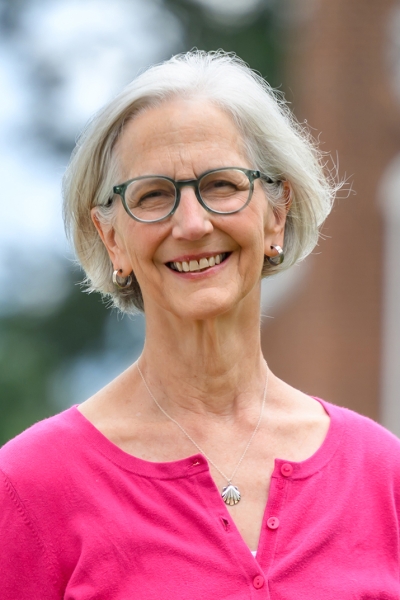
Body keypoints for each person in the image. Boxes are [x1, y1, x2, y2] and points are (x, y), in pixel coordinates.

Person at [1, 50, 399, 599]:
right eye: (153, 195)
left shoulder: (382, 475)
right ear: (112, 239)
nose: (191, 224)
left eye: (222, 185)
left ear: (277, 213)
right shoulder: (30, 487)